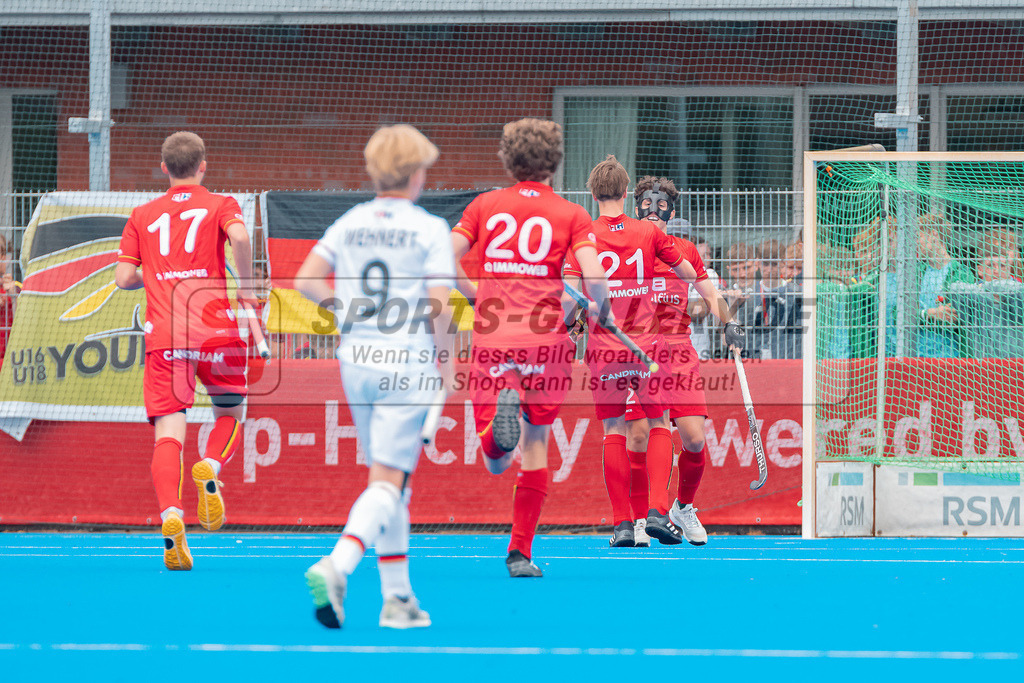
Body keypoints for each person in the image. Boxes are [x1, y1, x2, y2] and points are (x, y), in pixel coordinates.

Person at [294, 124, 455, 628]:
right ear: (416, 172)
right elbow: (441, 305)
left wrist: (349, 314)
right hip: (406, 362)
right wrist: (448, 364)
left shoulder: (351, 221)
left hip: (357, 361)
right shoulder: (429, 228)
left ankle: (398, 599)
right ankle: (337, 565)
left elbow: (304, 280)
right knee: (389, 481)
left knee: (389, 481)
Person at [451, 118, 611, 578]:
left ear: (507, 159)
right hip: (548, 341)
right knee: (537, 443)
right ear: (554, 163)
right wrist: (602, 311)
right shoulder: (571, 214)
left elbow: (443, 255)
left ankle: (496, 439)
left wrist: (474, 294)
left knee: (497, 461)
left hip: (494, 335)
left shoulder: (485, 205)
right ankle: (520, 553)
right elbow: (594, 277)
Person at [115, 131, 255, 570]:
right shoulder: (221, 204)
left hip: (166, 338)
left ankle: (171, 515)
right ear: (203, 166)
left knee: (168, 435)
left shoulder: (142, 214)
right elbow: (242, 238)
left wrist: (156, 274)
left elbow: (123, 279)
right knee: (231, 414)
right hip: (216, 330)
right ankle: (210, 466)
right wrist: (248, 291)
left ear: (163, 169)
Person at [564, 159, 694, 548]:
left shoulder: (583, 235)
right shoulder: (646, 232)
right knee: (658, 424)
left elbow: (569, 300)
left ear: (592, 194)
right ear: (626, 194)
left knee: (613, 431)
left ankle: (622, 524)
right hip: (647, 344)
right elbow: (688, 274)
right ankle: (656, 510)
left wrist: (572, 322)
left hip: (605, 347)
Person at [626, 175, 743, 546]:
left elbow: (710, 294)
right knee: (650, 430)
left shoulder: (685, 251)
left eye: (661, 209)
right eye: (646, 206)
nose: (653, 215)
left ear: (671, 213)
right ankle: (648, 515)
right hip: (642, 351)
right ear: (636, 209)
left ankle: (682, 508)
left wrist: (729, 322)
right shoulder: (627, 251)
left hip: (681, 350)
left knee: (694, 440)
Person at [687, 239, 722, 360]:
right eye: (703, 255)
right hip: (675, 346)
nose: (708, 258)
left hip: (699, 347)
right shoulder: (679, 274)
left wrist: (676, 306)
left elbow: (699, 312)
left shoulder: (710, 274)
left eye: (709, 254)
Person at [0, 232, 21, 367]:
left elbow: (23, 325)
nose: (4, 258)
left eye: (4, 254)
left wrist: (14, 298)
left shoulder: (15, 287)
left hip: (10, 363)